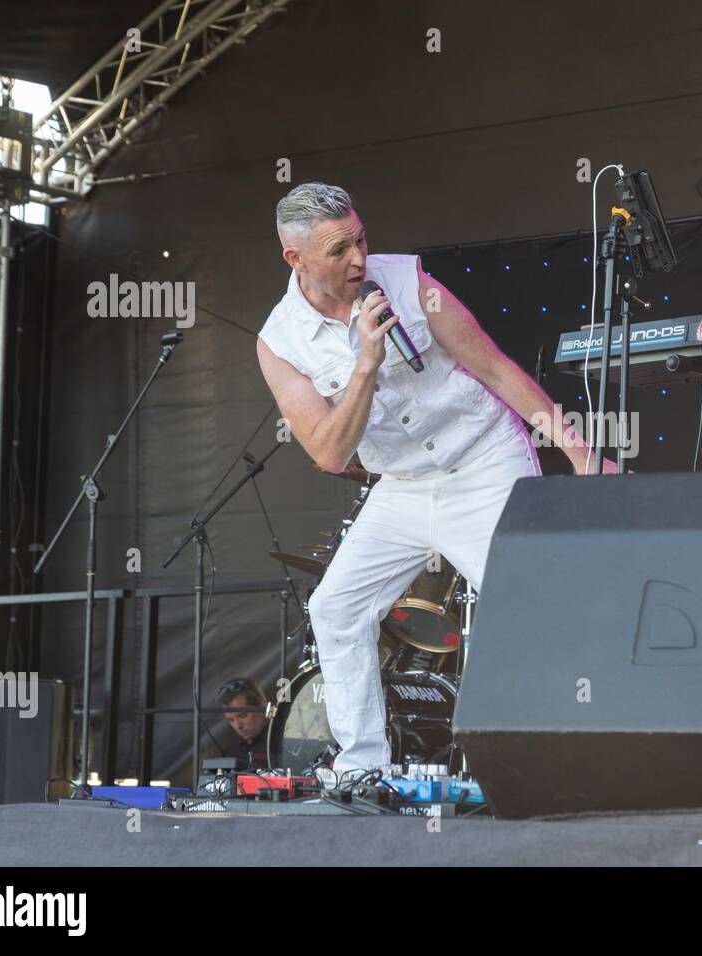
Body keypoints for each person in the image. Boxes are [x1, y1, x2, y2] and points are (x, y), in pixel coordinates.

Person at [256, 182, 604, 779]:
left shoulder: (410, 284)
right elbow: (331, 454)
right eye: (339, 250)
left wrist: (579, 452)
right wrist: (365, 362)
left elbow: (492, 366)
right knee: (334, 609)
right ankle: (363, 765)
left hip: (486, 458)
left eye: (361, 239)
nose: (360, 259)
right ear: (297, 259)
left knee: (527, 603)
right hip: (404, 486)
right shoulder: (279, 342)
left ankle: (571, 752)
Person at [218, 678, 270, 770]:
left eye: (243, 715)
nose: (238, 726)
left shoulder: (283, 744)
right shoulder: (231, 753)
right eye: (231, 720)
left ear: (262, 704)